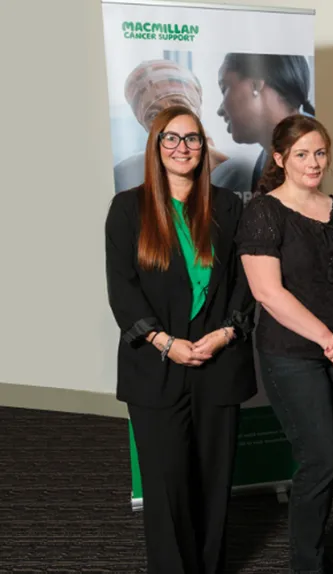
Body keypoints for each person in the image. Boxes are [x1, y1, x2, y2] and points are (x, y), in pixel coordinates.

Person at [104, 105, 255, 574]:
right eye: (171, 138)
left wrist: (227, 332)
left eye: (192, 139)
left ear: (204, 147)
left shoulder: (229, 205)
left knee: (213, 483)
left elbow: (244, 281)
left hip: (218, 360)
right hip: (156, 366)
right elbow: (122, 290)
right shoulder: (128, 208)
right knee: (167, 486)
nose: (182, 148)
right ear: (155, 146)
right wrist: (166, 342)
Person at [236, 115, 333, 574]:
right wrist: (326, 337)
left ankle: (312, 546)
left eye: (319, 152)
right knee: (320, 458)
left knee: (330, 454)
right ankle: (306, 564)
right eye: (301, 154)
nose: (313, 162)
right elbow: (267, 292)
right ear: (279, 158)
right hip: (291, 353)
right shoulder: (263, 211)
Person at [114, 59, 229, 193]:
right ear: (145, 126)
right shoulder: (126, 175)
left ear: (196, 109)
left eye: (179, 105)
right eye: (154, 115)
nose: (171, 120)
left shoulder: (239, 170)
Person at [215, 53, 315, 194]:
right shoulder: (264, 165)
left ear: (255, 85)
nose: (220, 110)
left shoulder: (315, 149)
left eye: (224, 88)